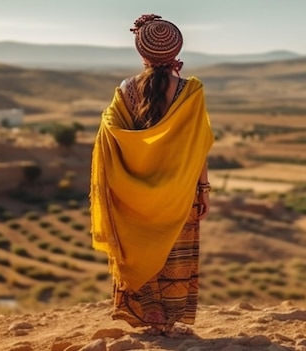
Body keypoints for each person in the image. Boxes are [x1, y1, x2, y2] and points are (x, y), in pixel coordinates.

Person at [90, 14, 214, 337]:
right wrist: (204, 189)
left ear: (141, 53)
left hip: (134, 192)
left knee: (141, 250)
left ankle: (151, 316)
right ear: (176, 50)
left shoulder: (125, 90)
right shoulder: (190, 91)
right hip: (179, 193)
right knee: (174, 255)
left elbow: (111, 133)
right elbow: (199, 146)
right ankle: (168, 322)